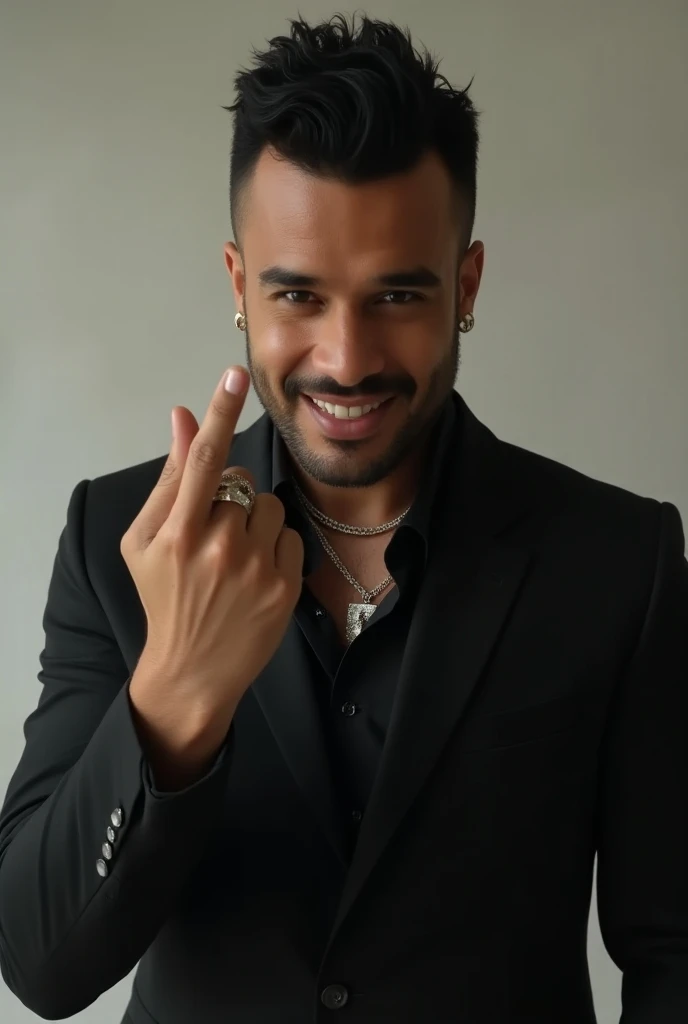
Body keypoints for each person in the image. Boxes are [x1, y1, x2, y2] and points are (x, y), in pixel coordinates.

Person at [1, 12, 687, 1024]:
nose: (345, 356)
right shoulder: (121, 540)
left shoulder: (620, 562)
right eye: (299, 295)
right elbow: (39, 964)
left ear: (465, 284)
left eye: (396, 295)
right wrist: (173, 694)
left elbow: (673, 951)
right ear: (241, 286)